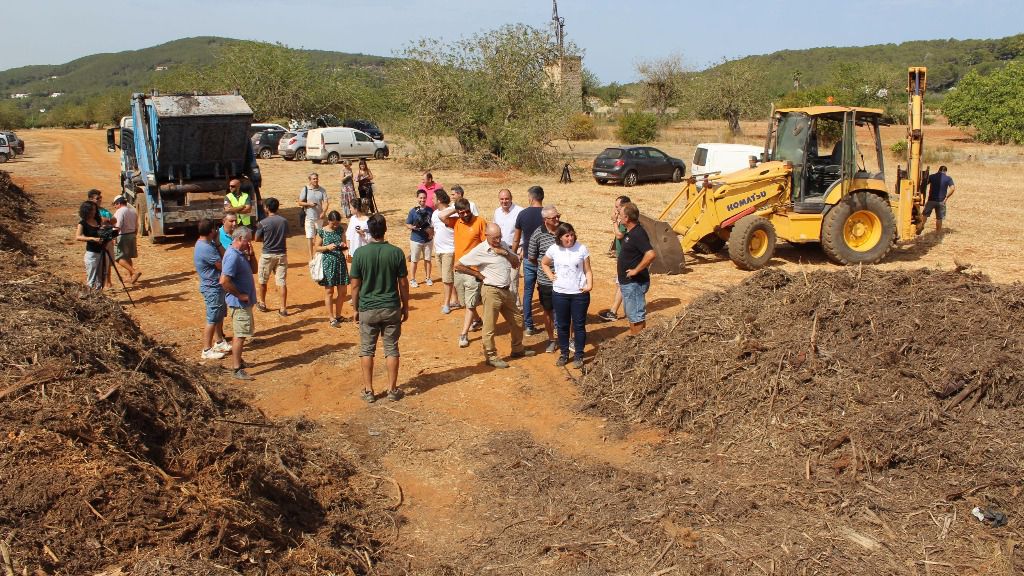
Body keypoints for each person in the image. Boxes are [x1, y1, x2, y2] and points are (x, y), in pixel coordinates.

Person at [349, 213, 410, 403]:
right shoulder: (396, 252)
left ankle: (369, 391)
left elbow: (355, 286)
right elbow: (403, 283)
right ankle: (392, 390)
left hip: (367, 308)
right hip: (391, 307)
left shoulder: (360, 254)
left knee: (367, 350)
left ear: (369, 230)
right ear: (385, 229)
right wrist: (405, 305)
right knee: (391, 349)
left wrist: (356, 308)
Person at [456, 223, 536, 368]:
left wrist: (504, 252)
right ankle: (491, 356)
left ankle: (517, 349)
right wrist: (477, 274)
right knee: (489, 326)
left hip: (506, 290)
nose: (498, 240)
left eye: (499, 237)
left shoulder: (503, 245)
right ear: (486, 236)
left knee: (518, 320)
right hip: (491, 291)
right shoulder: (480, 250)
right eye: (494, 238)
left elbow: (516, 262)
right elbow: (458, 265)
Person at [541, 222, 593, 369]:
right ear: (560, 237)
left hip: (579, 294)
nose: (570, 238)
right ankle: (564, 354)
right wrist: (551, 276)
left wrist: (589, 285)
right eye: (566, 236)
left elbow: (588, 270)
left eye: (572, 234)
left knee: (579, 325)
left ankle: (579, 355)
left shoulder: (582, 248)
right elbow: (544, 263)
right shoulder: (553, 249)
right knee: (562, 326)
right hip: (560, 294)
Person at [220, 226, 258, 381]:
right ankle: (237, 368)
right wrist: (240, 295)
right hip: (239, 303)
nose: (249, 243)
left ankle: (239, 361)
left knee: (241, 333)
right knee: (240, 335)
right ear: (240, 239)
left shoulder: (240, 253)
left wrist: (252, 254)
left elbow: (254, 270)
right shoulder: (233, 256)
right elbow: (224, 281)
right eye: (248, 240)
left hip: (244, 302)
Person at [193, 218, 232, 360]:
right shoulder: (207, 248)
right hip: (212, 288)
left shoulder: (206, 243)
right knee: (212, 318)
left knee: (219, 315)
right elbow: (224, 264)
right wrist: (219, 244)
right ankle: (207, 349)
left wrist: (217, 243)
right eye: (215, 229)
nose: (217, 231)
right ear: (211, 232)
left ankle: (219, 341)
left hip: (216, 286)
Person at [451, 198, 487, 348]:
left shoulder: (480, 221)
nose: (465, 214)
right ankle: (477, 320)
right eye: (462, 212)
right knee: (465, 302)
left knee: (470, 305)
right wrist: (454, 207)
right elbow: (441, 217)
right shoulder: (456, 223)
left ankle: (463, 334)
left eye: (467, 211)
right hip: (459, 268)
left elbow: (486, 244)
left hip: (473, 270)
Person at [617, 202, 657, 335]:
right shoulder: (631, 232)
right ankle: (634, 340)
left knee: (636, 317)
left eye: (621, 214)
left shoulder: (638, 233)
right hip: (629, 284)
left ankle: (638, 344)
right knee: (632, 314)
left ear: (627, 218)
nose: (619, 216)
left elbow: (651, 254)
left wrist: (636, 270)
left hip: (635, 283)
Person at [527, 205, 561, 353]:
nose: (558, 219)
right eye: (554, 218)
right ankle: (552, 340)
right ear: (545, 220)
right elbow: (532, 257)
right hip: (546, 281)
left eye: (558, 216)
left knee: (566, 310)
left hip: (564, 279)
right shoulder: (537, 234)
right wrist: (546, 269)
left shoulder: (564, 230)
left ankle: (567, 338)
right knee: (548, 310)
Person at [512, 186, 545, 336]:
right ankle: (555, 324)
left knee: (528, 292)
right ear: (542, 197)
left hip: (528, 258)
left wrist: (512, 255)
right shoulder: (548, 214)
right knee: (548, 291)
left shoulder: (522, 214)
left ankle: (529, 326)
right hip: (545, 259)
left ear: (531, 198)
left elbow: (516, 238)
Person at [254, 197, 289, 316]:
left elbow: (256, 238)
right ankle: (283, 308)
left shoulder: (263, 223)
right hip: (282, 254)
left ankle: (262, 303)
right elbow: (286, 235)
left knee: (263, 280)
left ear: (267, 208)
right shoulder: (284, 221)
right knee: (281, 282)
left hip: (268, 255)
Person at [314, 210, 350, 327]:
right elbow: (317, 248)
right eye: (333, 223)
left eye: (337, 223)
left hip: (340, 263)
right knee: (329, 292)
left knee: (343, 292)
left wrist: (344, 248)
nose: (335, 226)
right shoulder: (322, 231)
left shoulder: (340, 230)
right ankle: (331, 317)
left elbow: (344, 245)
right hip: (328, 264)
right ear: (328, 220)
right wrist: (327, 247)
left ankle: (338, 315)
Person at [599, 195, 630, 322]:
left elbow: (619, 235)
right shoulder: (627, 217)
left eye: (617, 206)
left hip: (625, 258)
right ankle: (618, 310)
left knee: (622, 284)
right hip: (623, 256)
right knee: (622, 283)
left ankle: (613, 312)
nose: (615, 209)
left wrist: (613, 221)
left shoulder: (624, 219)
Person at [431, 190, 460, 314]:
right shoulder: (434, 214)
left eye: (433, 198)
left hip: (449, 250)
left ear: (439, 200)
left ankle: (447, 303)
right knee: (447, 277)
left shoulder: (452, 212)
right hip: (438, 250)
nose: (432, 200)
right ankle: (455, 299)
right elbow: (435, 230)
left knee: (447, 279)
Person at [493, 188, 523, 303]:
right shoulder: (497, 212)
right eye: (501, 199)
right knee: (503, 278)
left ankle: (516, 307)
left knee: (513, 279)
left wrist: (523, 248)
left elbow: (524, 232)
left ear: (511, 199)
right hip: (501, 250)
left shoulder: (520, 211)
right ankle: (512, 303)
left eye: (507, 199)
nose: (504, 201)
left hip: (515, 250)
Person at [75, 201, 108, 290]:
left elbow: (107, 222)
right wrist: (92, 239)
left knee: (101, 278)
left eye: (94, 209)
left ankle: (99, 296)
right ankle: (91, 298)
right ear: (86, 210)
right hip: (92, 254)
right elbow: (78, 237)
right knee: (92, 279)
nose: (94, 211)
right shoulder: (82, 223)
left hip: (102, 252)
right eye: (91, 210)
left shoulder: (98, 220)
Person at [405, 190, 434, 287]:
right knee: (414, 260)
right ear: (417, 198)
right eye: (420, 198)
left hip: (428, 240)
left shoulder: (430, 211)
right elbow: (407, 223)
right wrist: (412, 227)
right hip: (416, 240)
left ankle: (428, 278)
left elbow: (433, 224)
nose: (422, 200)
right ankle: (412, 279)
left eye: (424, 198)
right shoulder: (413, 211)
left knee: (428, 259)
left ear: (426, 198)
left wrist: (431, 233)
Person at [111, 195, 142, 285]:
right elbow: (137, 225)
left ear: (119, 203)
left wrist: (113, 237)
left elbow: (118, 225)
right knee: (127, 256)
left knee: (118, 257)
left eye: (115, 204)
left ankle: (134, 272)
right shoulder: (133, 211)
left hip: (122, 235)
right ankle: (130, 276)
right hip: (132, 235)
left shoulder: (120, 211)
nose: (115, 206)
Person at [298, 172, 328, 259]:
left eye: (316, 178)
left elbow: (326, 202)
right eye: (314, 179)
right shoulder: (305, 189)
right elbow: (300, 202)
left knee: (319, 236)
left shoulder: (322, 190)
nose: (316, 180)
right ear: (310, 180)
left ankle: (318, 254)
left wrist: (324, 212)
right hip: (309, 217)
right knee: (309, 236)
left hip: (319, 217)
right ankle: (311, 256)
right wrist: (308, 204)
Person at [922, 165, 956, 232]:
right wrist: (946, 197)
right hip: (941, 201)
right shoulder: (948, 178)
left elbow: (923, 184)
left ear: (939, 170)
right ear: (945, 171)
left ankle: (921, 226)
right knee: (939, 218)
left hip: (931, 200)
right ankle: (937, 233)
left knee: (925, 215)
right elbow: (952, 188)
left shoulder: (932, 176)